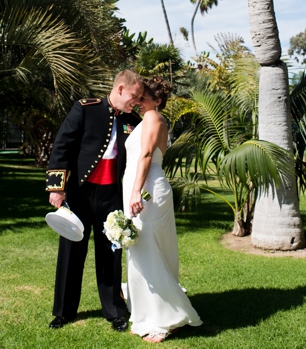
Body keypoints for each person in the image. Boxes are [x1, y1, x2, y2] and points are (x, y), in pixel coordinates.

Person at [46, 70, 144, 331]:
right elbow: (62, 146)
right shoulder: (86, 109)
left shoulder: (134, 121)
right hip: (80, 193)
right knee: (71, 252)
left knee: (111, 252)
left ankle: (114, 310)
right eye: (134, 96)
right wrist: (57, 188)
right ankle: (64, 311)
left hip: (112, 195)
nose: (136, 101)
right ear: (120, 89)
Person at [123, 76, 202, 342]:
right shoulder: (145, 120)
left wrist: (135, 191)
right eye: (137, 96)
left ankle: (166, 316)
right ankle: (146, 307)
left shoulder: (154, 118)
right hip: (138, 185)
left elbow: (146, 155)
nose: (137, 102)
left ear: (157, 100)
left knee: (149, 247)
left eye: (142, 98)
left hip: (147, 189)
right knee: (140, 248)